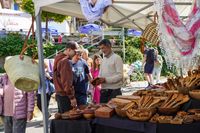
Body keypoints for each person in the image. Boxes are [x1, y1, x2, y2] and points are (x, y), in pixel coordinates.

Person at [53, 41, 79, 113]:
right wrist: (72, 97)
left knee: (63, 119)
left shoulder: (58, 57)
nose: (76, 53)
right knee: (68, 120)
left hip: (60, 94)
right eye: (75, 51)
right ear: (69, 50)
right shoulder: (65, 61)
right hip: (65, 96)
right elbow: (66, 81)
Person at [97, 39, 123, 103]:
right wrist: (97, 80)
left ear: (109, 46)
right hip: (103, 91)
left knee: (113, 112)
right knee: (102, 111)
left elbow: (120, 76)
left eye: (103, 48)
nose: (102, 50)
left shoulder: (117, 58)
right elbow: (100, 74)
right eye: (101, 48)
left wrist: (105, 80)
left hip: (114, 91)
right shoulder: (103, 59)